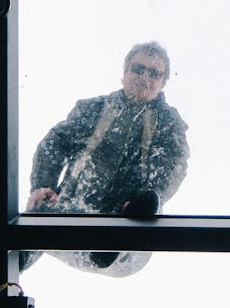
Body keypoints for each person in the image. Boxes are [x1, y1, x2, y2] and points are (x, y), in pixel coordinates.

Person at [20, 41, 189, 277]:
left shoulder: (168, 123)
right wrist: (43, 185)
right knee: (39, 217)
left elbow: (173, 165)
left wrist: (141, 200)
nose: (144, 77)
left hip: (124, 235)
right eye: (138, 69)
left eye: (154, 73)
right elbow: (54, 142)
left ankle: (115, 235)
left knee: (150, 201)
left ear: (163, 82)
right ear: (125, 72)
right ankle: (8, 251)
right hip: (74, 210)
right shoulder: (94, 108)